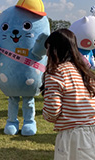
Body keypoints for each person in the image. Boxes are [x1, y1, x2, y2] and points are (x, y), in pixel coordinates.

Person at [41, 29, 95, 160]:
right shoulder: (83, 71)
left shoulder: (56, 72)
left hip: (73, 135)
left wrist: (47, 115)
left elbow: (53, 109)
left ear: (54, 49)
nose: (47, 54)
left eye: (48, 48)